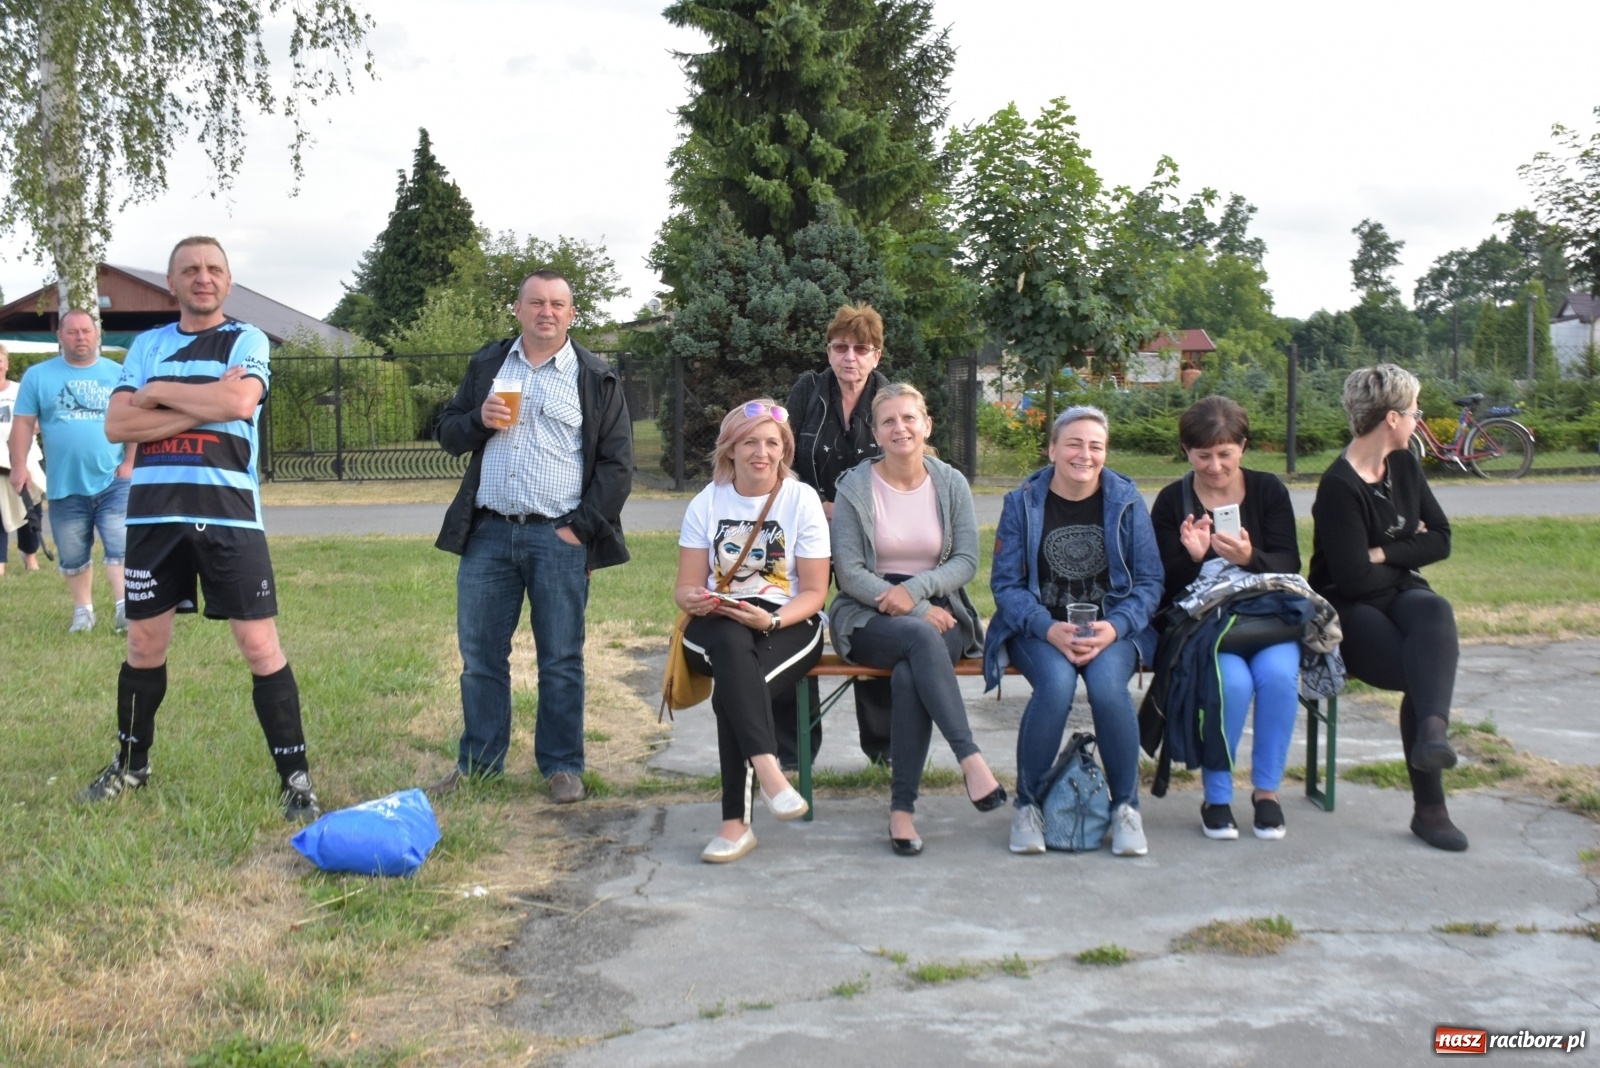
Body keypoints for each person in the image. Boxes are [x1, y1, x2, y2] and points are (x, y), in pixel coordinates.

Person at [86, 236, 320, 821]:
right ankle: (132, 766)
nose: (202, 277)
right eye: (189, 270)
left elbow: (241, 403)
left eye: (214, 268)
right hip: (152, 518)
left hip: (228, 515)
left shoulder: (247, 339)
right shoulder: (146, 343)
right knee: (143, 646)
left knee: (260, 645)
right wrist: (205, 400)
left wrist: (161, 395)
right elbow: (118, 424)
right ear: (172, 283)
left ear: (228, 281)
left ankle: (296, 778)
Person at [432, 269, 633, 804]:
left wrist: (579, 531)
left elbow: (617, 467)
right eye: (536, 302)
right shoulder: (488, 365)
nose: (547, 312)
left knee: (561, 658)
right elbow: (448, 432)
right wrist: (479, 418)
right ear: (517, 309)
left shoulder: (595, 376)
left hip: (557, 537)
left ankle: (563, 766)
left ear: (571, 314)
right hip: (489, 534)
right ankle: (478, 765)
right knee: (480, 658)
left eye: (558, 304)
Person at [828, 383, 1005, 856]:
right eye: (888, 421)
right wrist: (908, 603)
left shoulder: (951, 483)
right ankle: (970, 759)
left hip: (942, 614)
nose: (900, 427)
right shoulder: (854, 487)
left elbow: (966, 561)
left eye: (909, 418)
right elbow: (848, 572)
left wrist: (919, 593)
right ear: (875, 432)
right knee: (915, 640)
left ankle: (902, 810)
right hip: (866, 617)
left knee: (912, 671)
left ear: (926, 425)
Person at [984, 406, 1163, 857]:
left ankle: (1126, 809)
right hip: (1038, 627)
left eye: (1096, 446)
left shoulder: (1126, 500)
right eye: (1074, 444)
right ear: (1053, 449)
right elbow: (1004, 586)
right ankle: (1028, 807)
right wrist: (1047, 629)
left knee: (1106, 688)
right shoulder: (1022, 501)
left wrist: (1116, 627)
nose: (1085, 454)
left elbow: (1149, 582)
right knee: (1057, 684)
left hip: (1110, 628)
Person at [1310, 364, 1466, 852]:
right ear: (1393, 418)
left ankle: (1432, 734)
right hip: (1346, 606)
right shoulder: (1338, 486)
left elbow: (1440, 540)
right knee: (1422, 666)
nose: (1420, 420)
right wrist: (1400, 553)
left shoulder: (1404, 465)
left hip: (1396, 591)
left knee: (1435, 613)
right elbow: (1352, 579)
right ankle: (1430, 808)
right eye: (1416, 412)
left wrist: (1382, 554)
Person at [674, 399, 829, 863]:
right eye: (750, 443)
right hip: (717, 621)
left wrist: (774, 619)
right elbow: (684, 588)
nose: (761, 453)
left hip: (788, 621)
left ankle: (734, 825)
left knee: (738, 688)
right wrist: (695, 599)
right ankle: (770, 770)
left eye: (772, 443)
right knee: (728, 641)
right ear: (731, 449)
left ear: (784, 450)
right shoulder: (707, 502)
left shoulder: (801, 501)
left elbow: (816, 592)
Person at [1150, 396, 1302, 840]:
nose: (1215, 466)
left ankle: (1267, 793)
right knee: (1231, 684)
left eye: (1225, 455)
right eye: (1203, 456)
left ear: (1242, 448)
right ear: (1186, 453)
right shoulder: (1170, 500)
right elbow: (1159, 583)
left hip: (1267, 614)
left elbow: (1290, 562)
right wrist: (1194, 558)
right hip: (1207, 625)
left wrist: (1252, 556)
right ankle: (1217, 795)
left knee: (1278, 678)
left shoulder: (1268, 490)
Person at [785, 303, 894, 764]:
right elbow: (781, 459)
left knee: (875, 625)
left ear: (876, 354)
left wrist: (845, 511)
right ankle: (794, 749)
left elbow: (905, 471)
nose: (850, 357)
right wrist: (816, 507)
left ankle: (883, 747)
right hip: (807, 531)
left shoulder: (892, 400)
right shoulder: (808, 391)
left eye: (861, 348)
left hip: (874, 536)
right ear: (828, 350)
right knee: (795, 623)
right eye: (840, 347)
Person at [8, 310, 134, 630]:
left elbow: (134, 422)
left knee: (120, 541)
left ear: (97, 335)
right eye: (73, 332)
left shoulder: (120, 374)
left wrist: (129, 463)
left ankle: (124, 609)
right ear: (60, 337)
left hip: (114, 479)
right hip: (65, 483)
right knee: (73, 552)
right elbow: (22, 424)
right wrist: (19, 466)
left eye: (86, 331)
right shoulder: (38, 376)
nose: (80, 337)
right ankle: (83, 611)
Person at [0, 343, 46, 575]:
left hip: (24, 459)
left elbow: (40, 421)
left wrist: (20, 433)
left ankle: (30, 557)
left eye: (0, 359)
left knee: (31, 509)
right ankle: (0, 562)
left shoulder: (20, 390)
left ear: (7, 363)